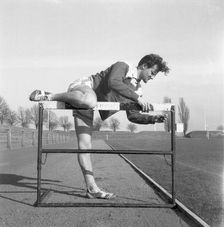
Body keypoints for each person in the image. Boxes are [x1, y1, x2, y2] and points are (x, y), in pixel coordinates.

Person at [29, 54, 170, 199]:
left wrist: (153, 118)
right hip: (84, 88)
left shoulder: (138, 90)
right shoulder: (124, 66)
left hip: (90, 106)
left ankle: (91, 188)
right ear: (144, 66)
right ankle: (50, 96)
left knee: (85, 146)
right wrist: (137, 99)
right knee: (90, 100)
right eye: (152, 73)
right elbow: (112, 82)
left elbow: (132, 115)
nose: (152, 77)